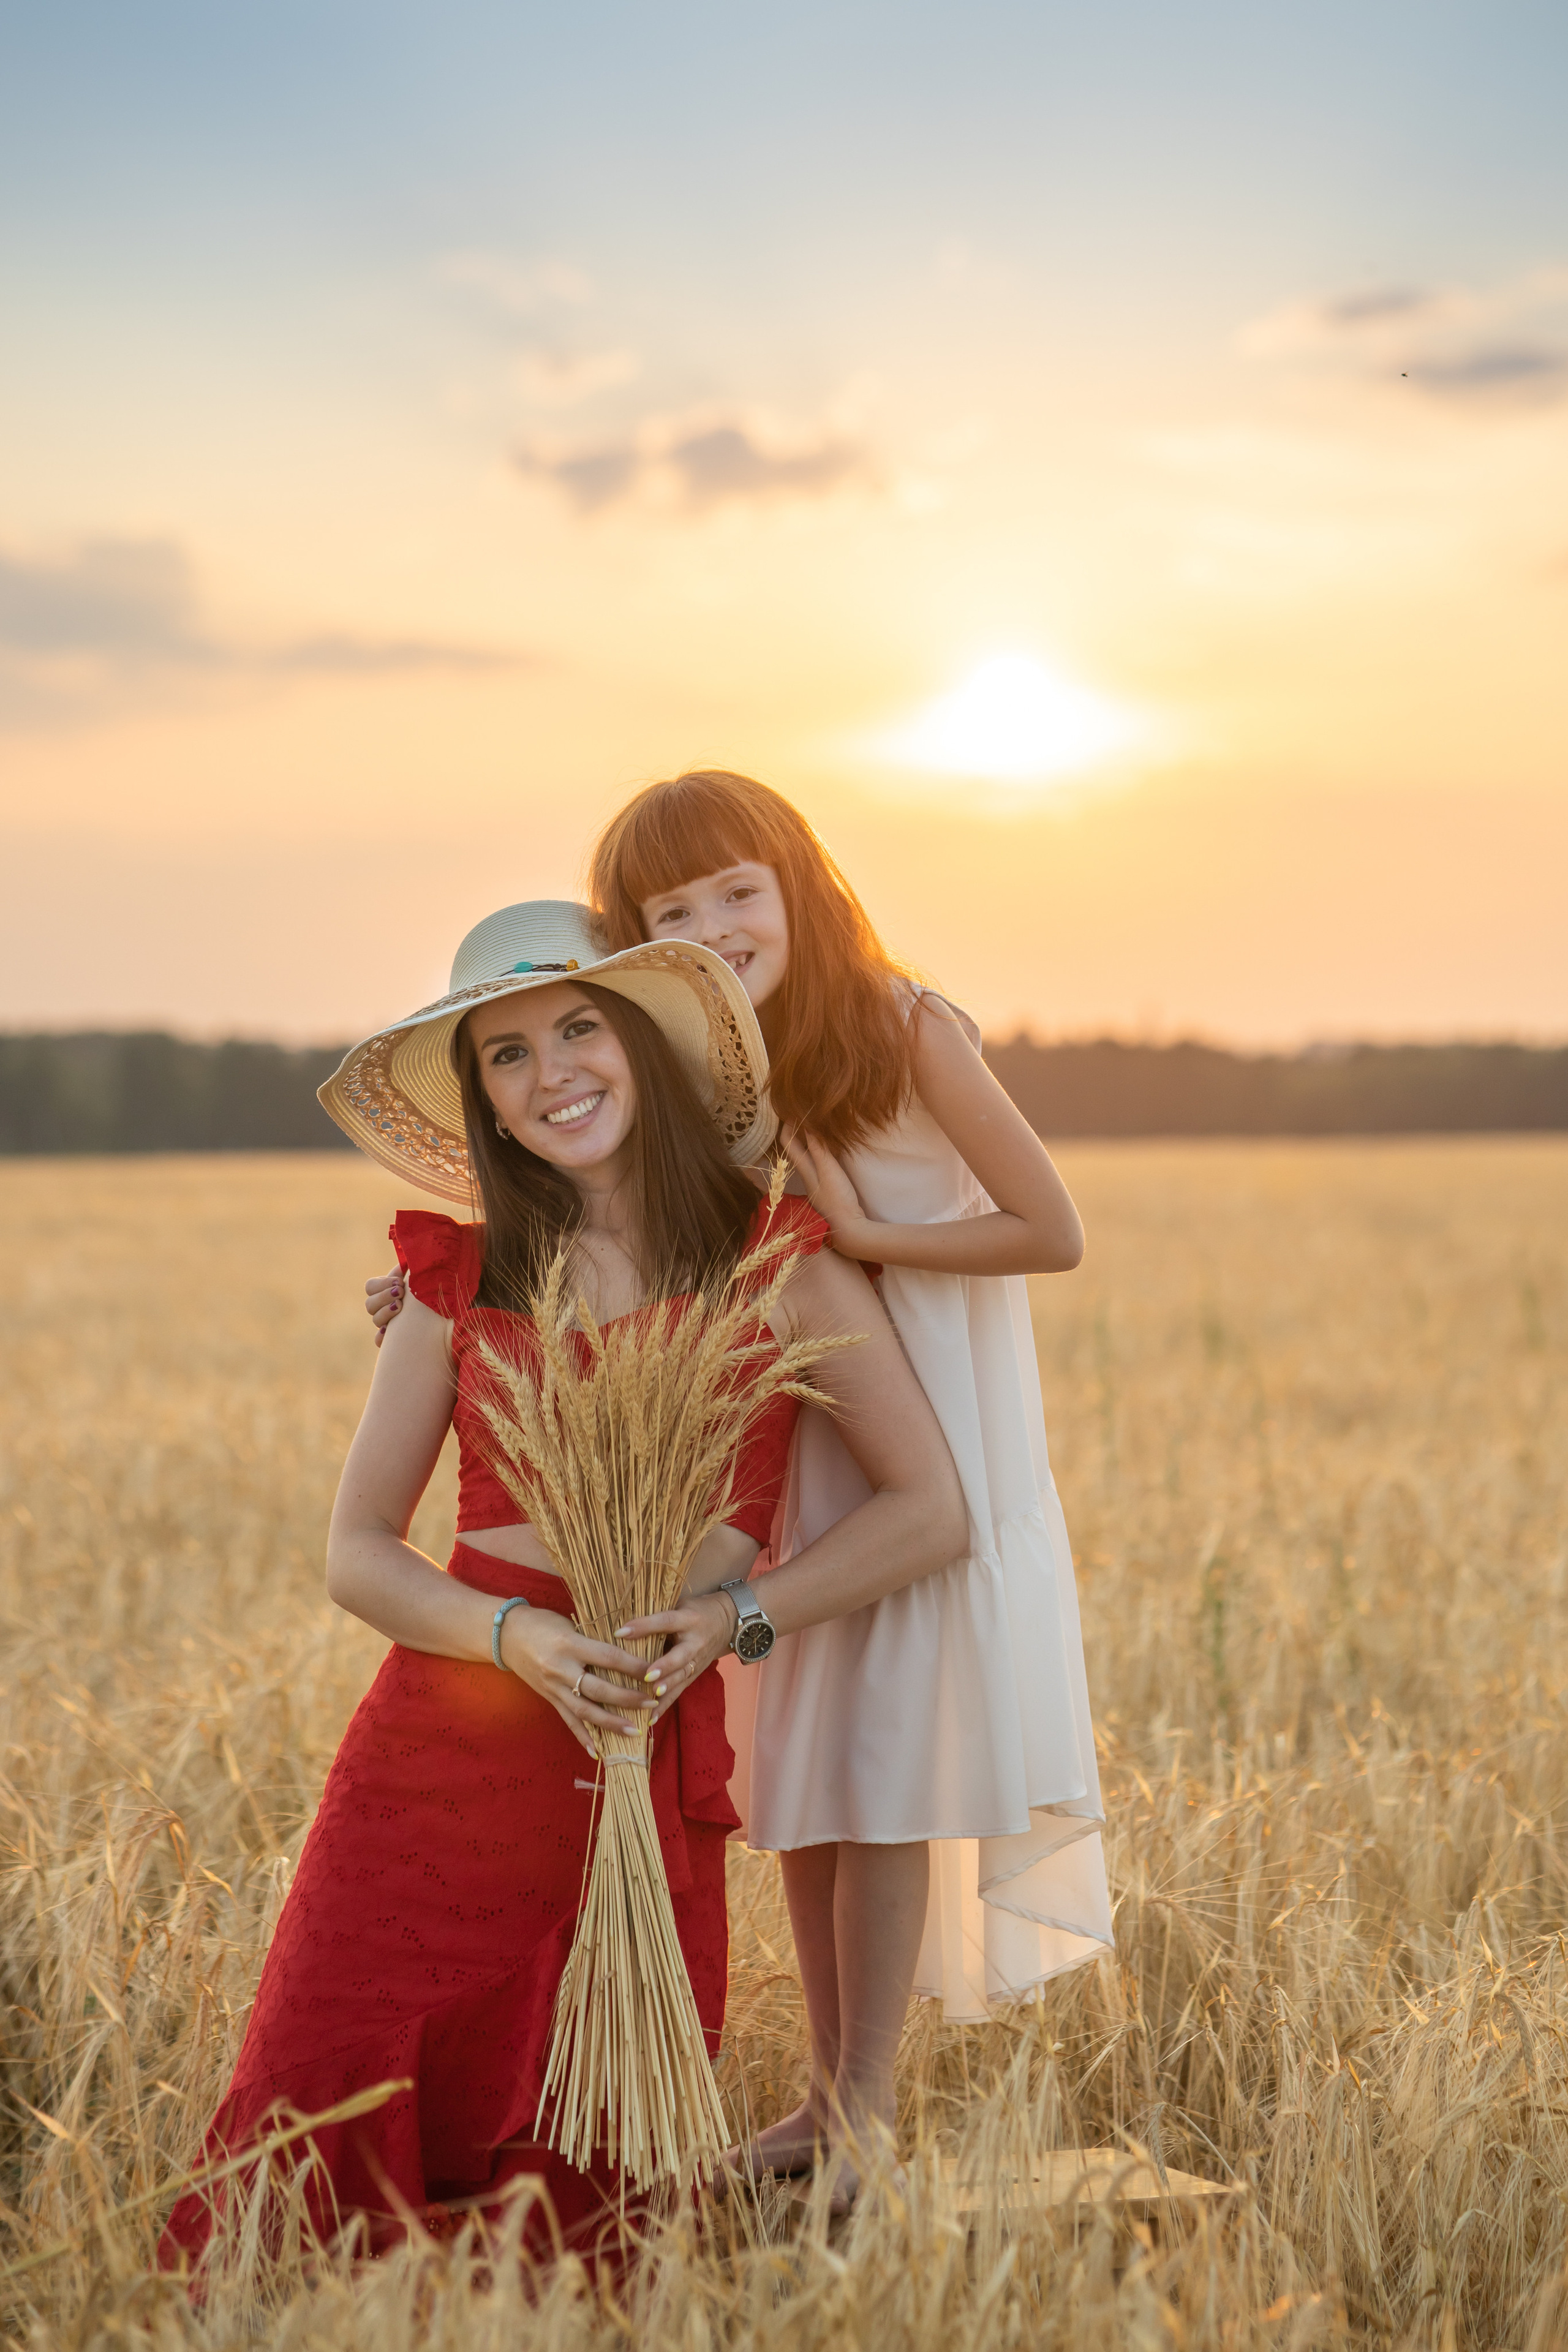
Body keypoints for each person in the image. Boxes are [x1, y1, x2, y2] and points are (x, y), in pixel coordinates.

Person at [160, 899, 964, 2271]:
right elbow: (357, 1550)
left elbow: (928, 1508)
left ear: (643, 1045)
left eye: (579, 1030)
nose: (554, 1076)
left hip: (630, 1763)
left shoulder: (776, 1266)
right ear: (481, 1100)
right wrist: (515, 1638)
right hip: (430, 1763)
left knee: (583, 2228)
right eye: (507, 1056)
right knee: (293, 2210)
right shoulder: (453, 1276)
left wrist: (729, 1619)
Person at [368, 774, 1113, 2198]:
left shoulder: (902, 1023)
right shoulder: (709, 1067)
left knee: (890, 1757)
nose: (715, 924)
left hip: (923, 1418)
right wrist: (443, 1292)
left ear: (799, 885)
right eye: (673, 912)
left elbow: (1049, 1229)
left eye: (737, 891)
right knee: (813, 1757)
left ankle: (868, 2109)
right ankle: (823, 2099)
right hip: (789, 1432)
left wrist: (845, 1248)